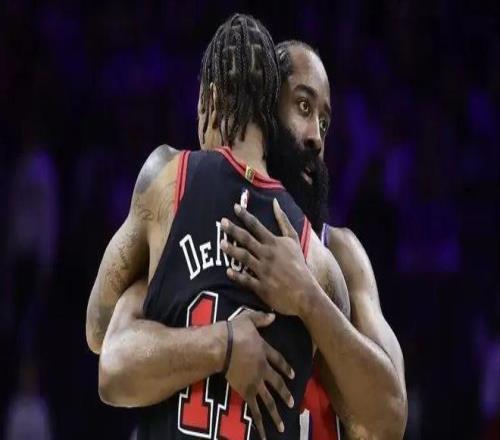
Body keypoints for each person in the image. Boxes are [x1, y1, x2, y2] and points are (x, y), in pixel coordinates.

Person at [86, 14, 349, 440]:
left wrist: (150, 289)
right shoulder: (319, 262)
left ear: (209, 99)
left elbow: (97, 332)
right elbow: (370, 416)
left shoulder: (169, 180)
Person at [223, 40, 408, 439]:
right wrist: (217, 347)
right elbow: (110, 351)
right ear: (264, 111)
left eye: (324, 123)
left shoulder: (340, 253)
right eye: (304, 107)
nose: (316, 138)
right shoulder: (203, 224)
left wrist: (308, 297)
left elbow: (390, 418)